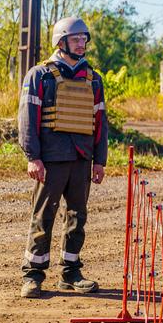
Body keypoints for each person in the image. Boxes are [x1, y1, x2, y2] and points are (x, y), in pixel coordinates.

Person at [18, 16, 108, 298]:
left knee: (77, 217)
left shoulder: (93, 79)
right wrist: (33, 157)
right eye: (76, 38)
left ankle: (71, 273)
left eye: (84, 38)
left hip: (82, 160)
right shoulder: (40, 75)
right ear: (61, 41)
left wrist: (100, 161)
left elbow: (101, 123)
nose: (82, 43)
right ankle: (33, 275)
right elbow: (27, 119)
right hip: (51, 159)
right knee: (43, 217)